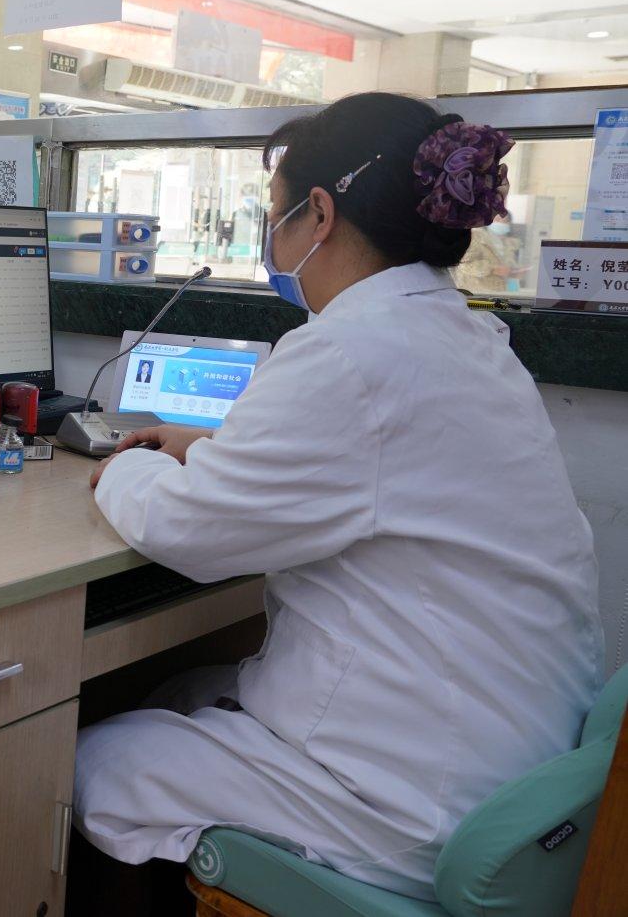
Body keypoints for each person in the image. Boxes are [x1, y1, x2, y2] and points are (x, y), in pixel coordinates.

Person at [76, 92, 600, 902]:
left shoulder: (349, 353)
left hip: (411, 801)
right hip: (510, 766)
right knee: (178, 692)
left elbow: (185, 527)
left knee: (88, 763)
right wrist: (208, 449)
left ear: (319, 213)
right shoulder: (464, 337)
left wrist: (123, 465)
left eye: (275, 214)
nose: (272, 237)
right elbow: (377, 473)